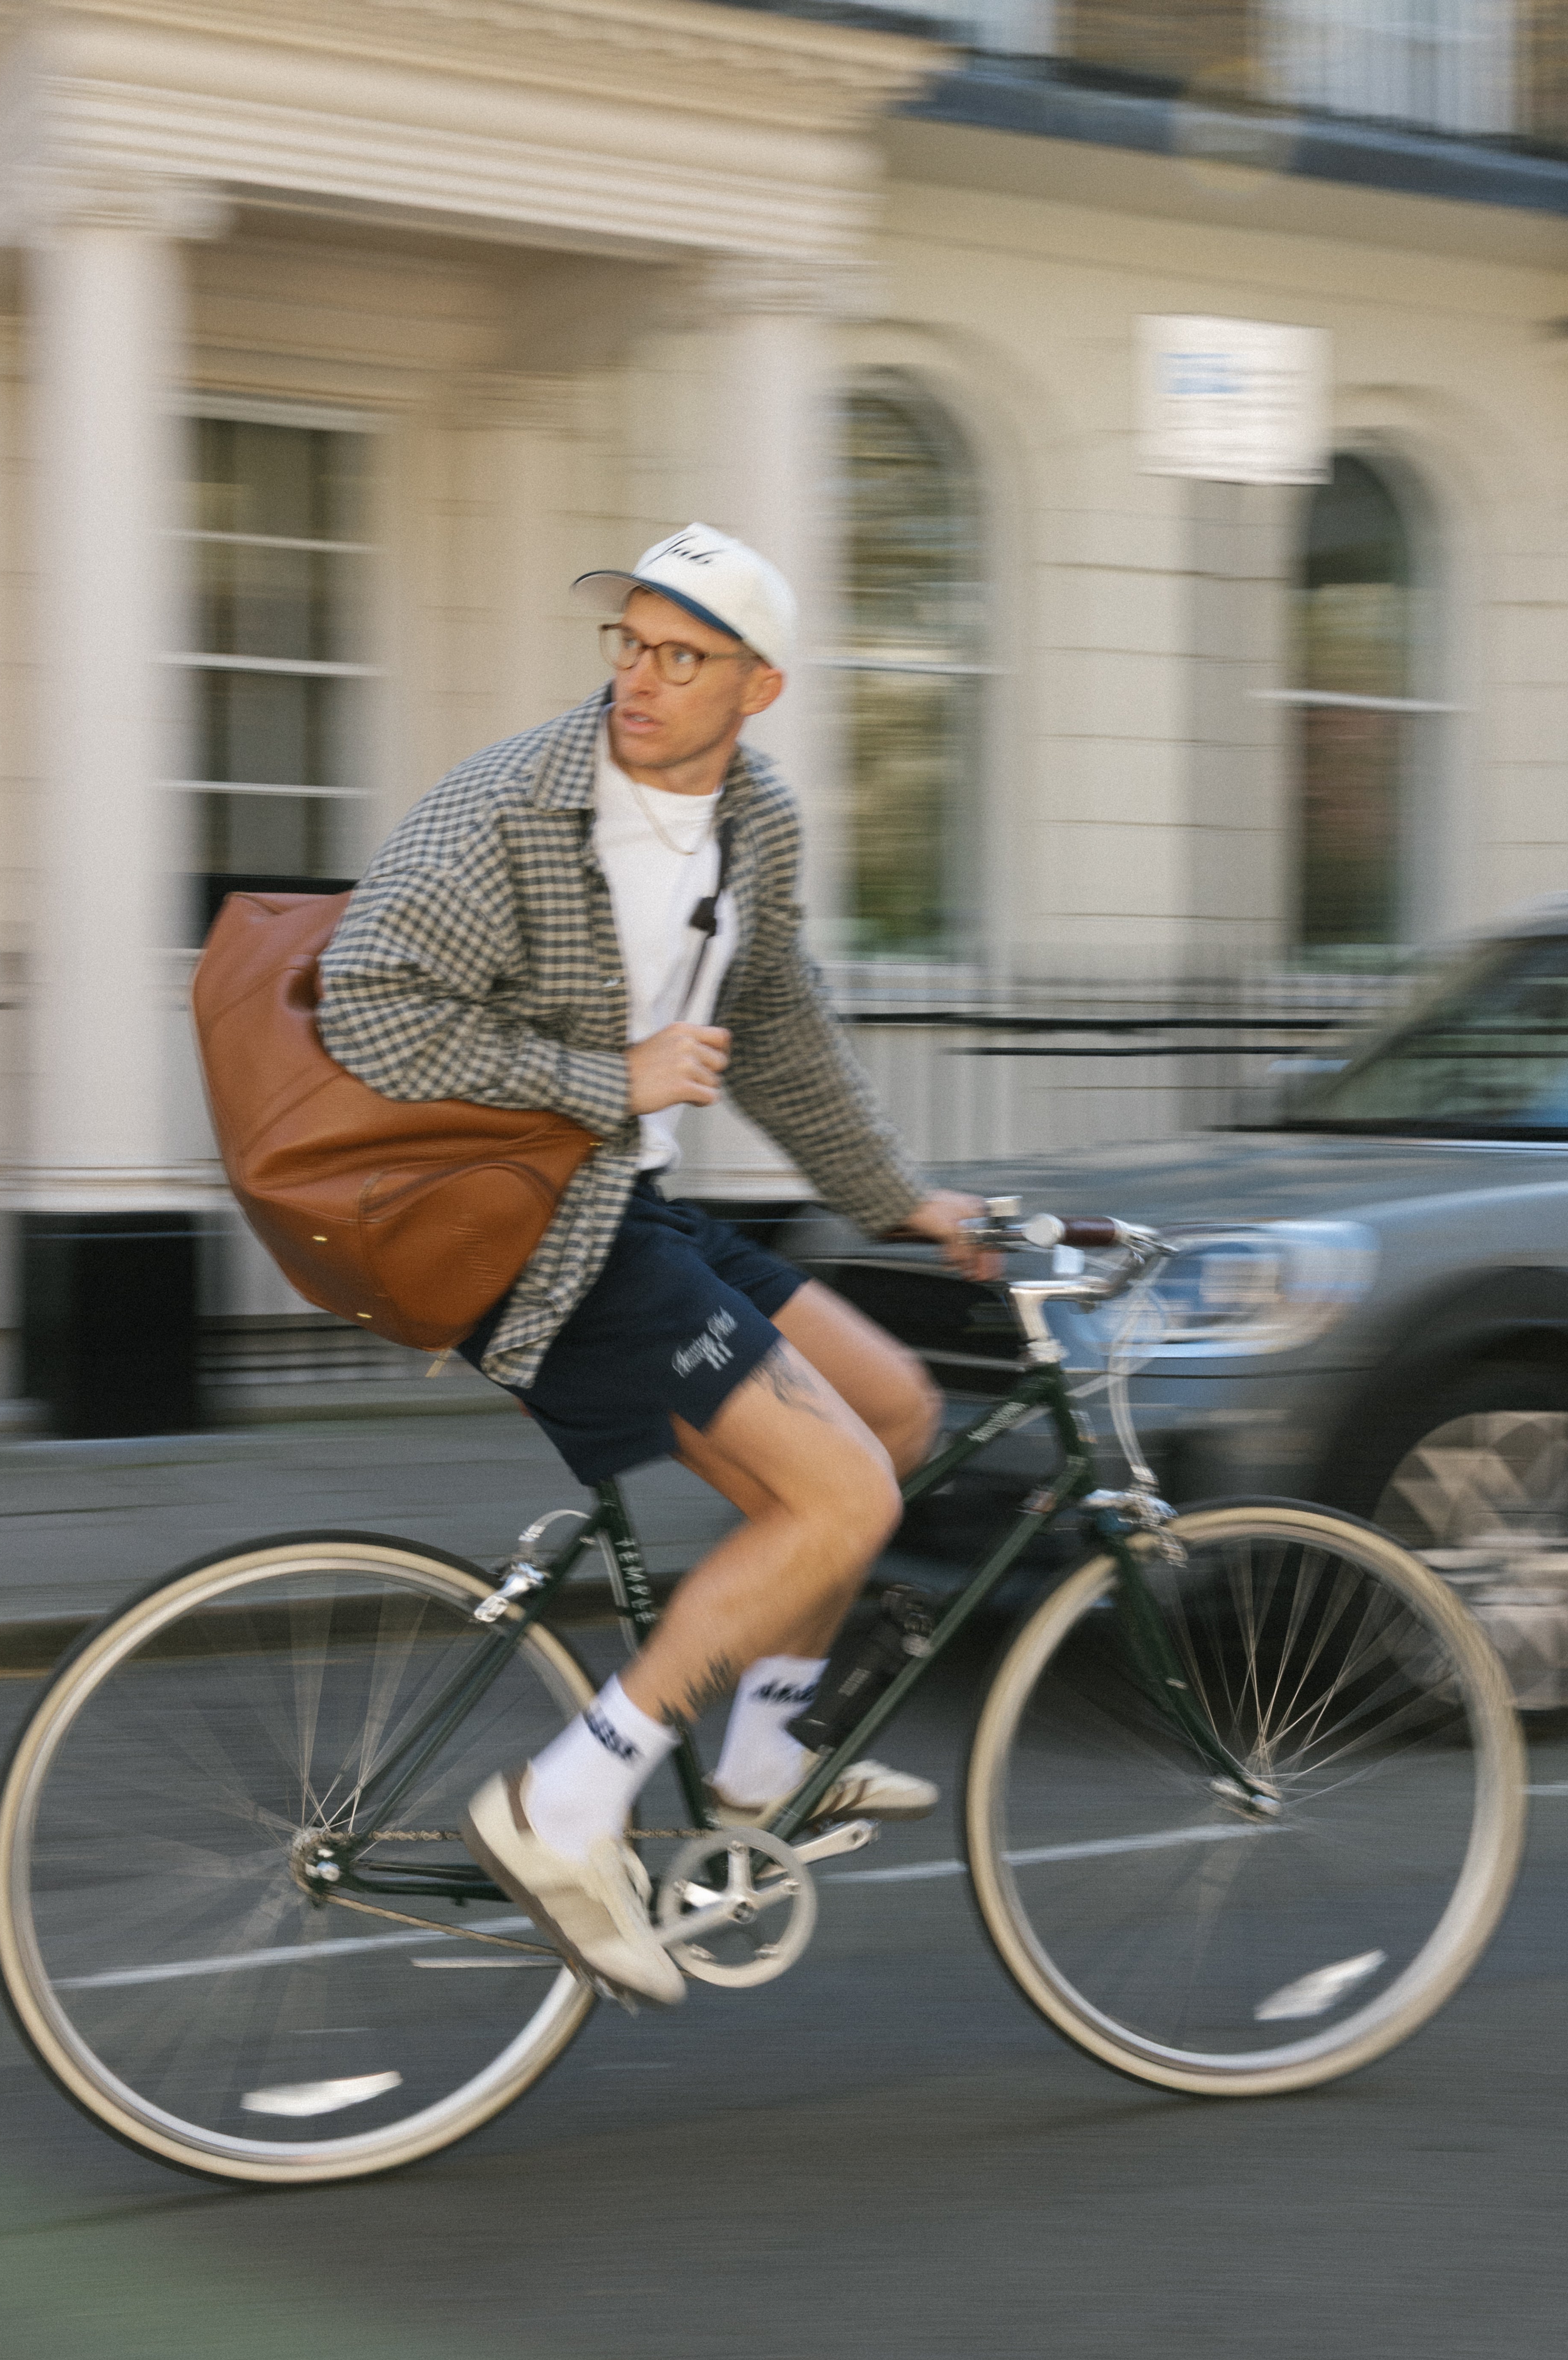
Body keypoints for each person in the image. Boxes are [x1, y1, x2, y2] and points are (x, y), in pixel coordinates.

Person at [319, 523, 992, 2007]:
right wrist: (603, 1076)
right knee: (842, 1498)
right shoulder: (513, 805)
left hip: (628, 1200)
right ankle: (564, 1804)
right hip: (525, 1229)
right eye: (629, 643)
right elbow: (364, 1004)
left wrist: (899, 1201)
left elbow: (781, 1025)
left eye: (682, 655)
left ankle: (757, 1765)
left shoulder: (756, 815)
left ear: (759, 688)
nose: (640, 676)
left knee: (892, 1412)